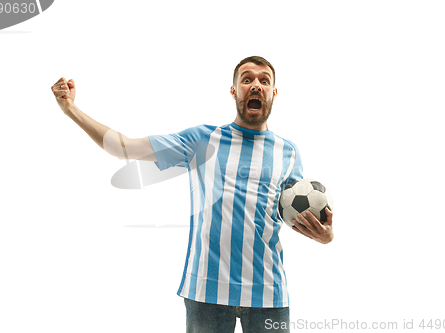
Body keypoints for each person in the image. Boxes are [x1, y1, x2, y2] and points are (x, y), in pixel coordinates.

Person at [51, 56, 334, 333]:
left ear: (274, 92)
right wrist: (70, 110)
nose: (255, 85)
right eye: (246, 79)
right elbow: (122, 147)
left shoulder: (289, 152)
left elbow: (299, 216)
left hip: (268, 294)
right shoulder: (202, 140)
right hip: (206, 293)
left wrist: (325, 235)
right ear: (234, 90)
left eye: (264, 80)